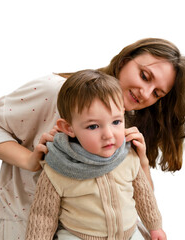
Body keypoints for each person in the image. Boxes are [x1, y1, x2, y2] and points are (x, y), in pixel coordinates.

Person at [0, 38, 185, 239]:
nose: (145, 93)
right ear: (124, 61)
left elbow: (139, 195)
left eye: (156, 93)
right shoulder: (57, 91)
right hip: (27, 227)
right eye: (144, 76)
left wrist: (141, 161)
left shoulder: (128, 119)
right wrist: (29, 160)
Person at [26, 69, 165, 240]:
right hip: (78, 235)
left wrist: (155, 227)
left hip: (127, 233)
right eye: (93, 126)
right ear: (69, 128)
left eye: (116, 122)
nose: (109, 134)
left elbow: (144, 196)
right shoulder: (57, 167)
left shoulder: (128, 157)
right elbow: (43, 215)